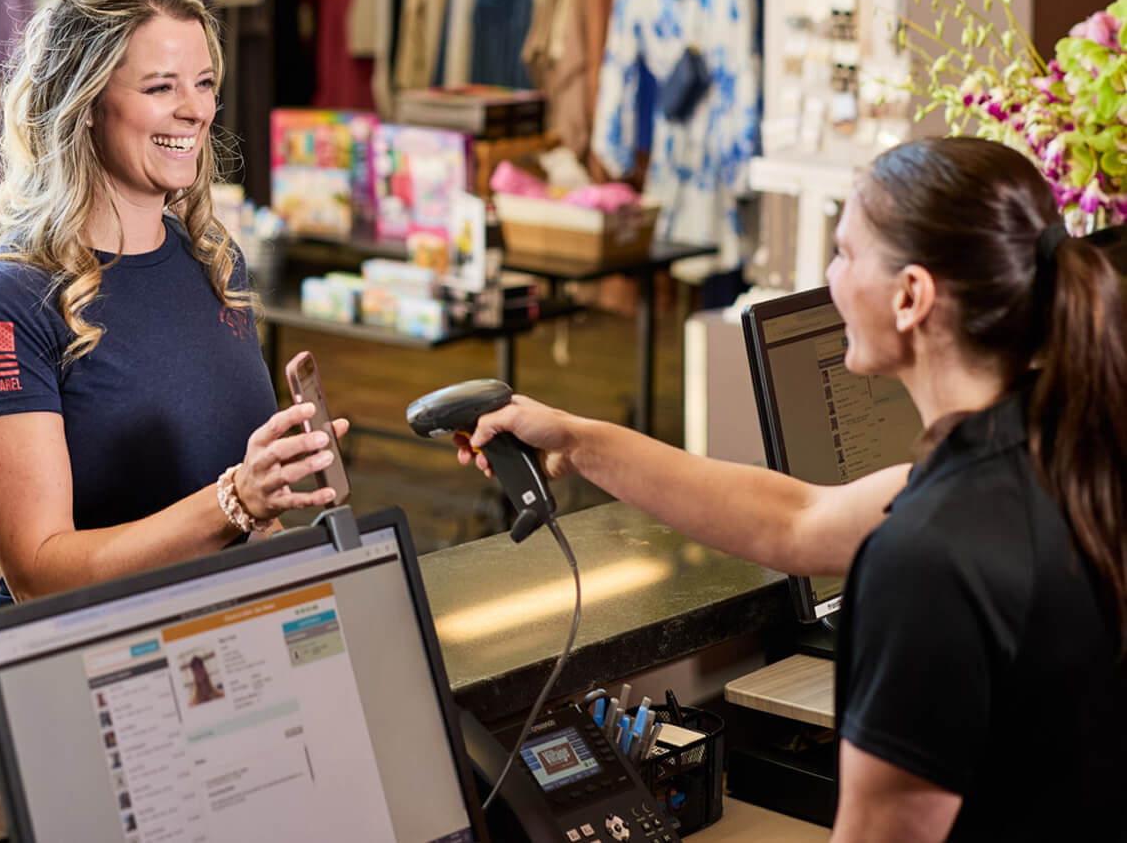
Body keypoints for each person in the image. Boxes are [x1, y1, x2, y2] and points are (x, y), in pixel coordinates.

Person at [460, 137, 1127, 843]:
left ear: (910, 296)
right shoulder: (1061, 456)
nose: (830, 278)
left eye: (844, 253)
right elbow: (797, 521)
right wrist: (574, 436)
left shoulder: (926, 556)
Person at [0, 0, 342, 606]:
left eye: (204, 83)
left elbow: (237, 527)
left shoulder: (213, 260)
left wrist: (270, 491)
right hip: (101, 674)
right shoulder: (0, 305)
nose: (196, 110)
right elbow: (40, 571)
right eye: (160, 87)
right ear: (86, 103)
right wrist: (233, 501)